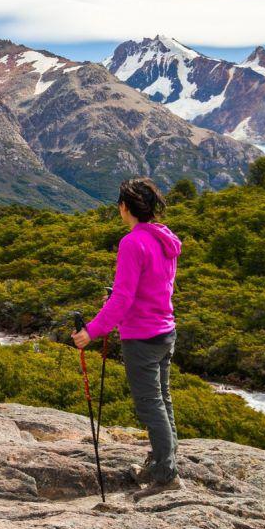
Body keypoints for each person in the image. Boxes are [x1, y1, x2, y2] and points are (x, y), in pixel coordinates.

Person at [70, 177, 183, 500]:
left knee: (151, 406)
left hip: (142, 337)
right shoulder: (165, 239)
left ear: (124, 207)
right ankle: (162, 462)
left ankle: (166, 475)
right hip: (165, 332)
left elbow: (122, 300)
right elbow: (152, 286)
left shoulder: (132, 242)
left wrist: (91, 331)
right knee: (162, 400)